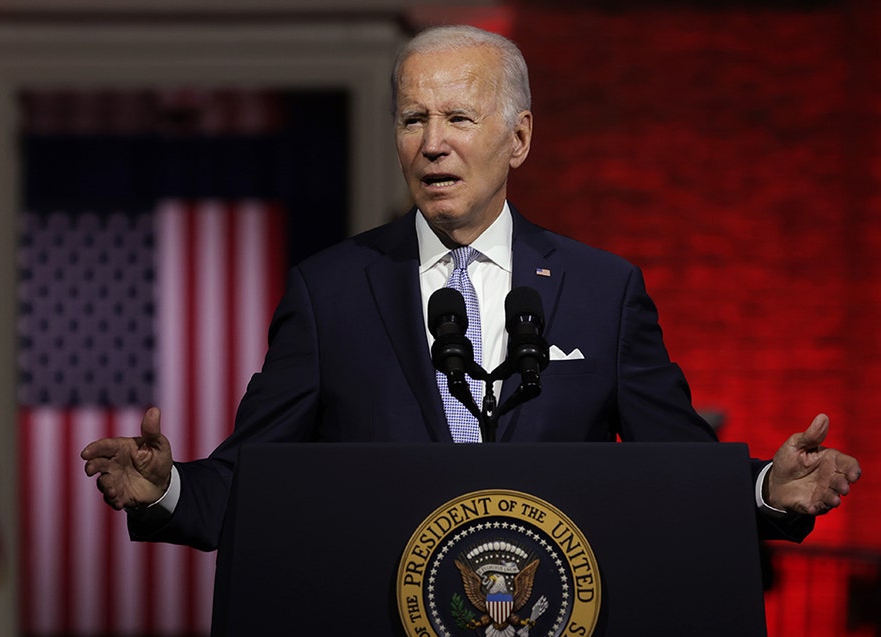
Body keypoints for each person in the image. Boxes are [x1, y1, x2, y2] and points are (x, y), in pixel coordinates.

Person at [82, 25, 861, 553]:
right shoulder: (331, 292)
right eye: (413, 119)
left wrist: (765, 486)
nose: (433, 144)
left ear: (518, 138)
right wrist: (167, 488)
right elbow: (248, 484)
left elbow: (678, 466)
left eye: (458, 116)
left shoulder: (602, 289)